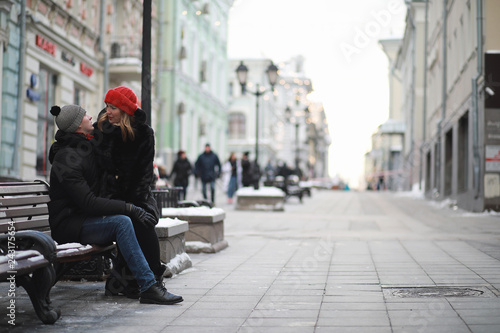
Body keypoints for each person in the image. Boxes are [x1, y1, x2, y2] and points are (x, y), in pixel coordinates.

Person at [48, 104, 182, 305]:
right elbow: (88, 202)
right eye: (85, 115)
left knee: (137, 221)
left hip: (84, 218)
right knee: (122, 222)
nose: (91, 116)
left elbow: (117, 142)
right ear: (77, 126)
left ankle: (125, 282)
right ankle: (149, 285)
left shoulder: (86, 145)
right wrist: (128, 208)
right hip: (70, 224)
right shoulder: (68, 158)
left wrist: (124, 111)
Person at [93, 86, 164, 298]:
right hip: (105, 198)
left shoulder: (144, 134)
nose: (108, 111)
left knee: (142, 219)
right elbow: (95, 167)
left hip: (135, 194)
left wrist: (134, 204)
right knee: (135, 219)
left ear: (125, 110)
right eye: (107, 106)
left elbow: (144, 175)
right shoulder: (102, 130)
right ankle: (150, 281)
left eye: (113, 107)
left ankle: (127, 281)